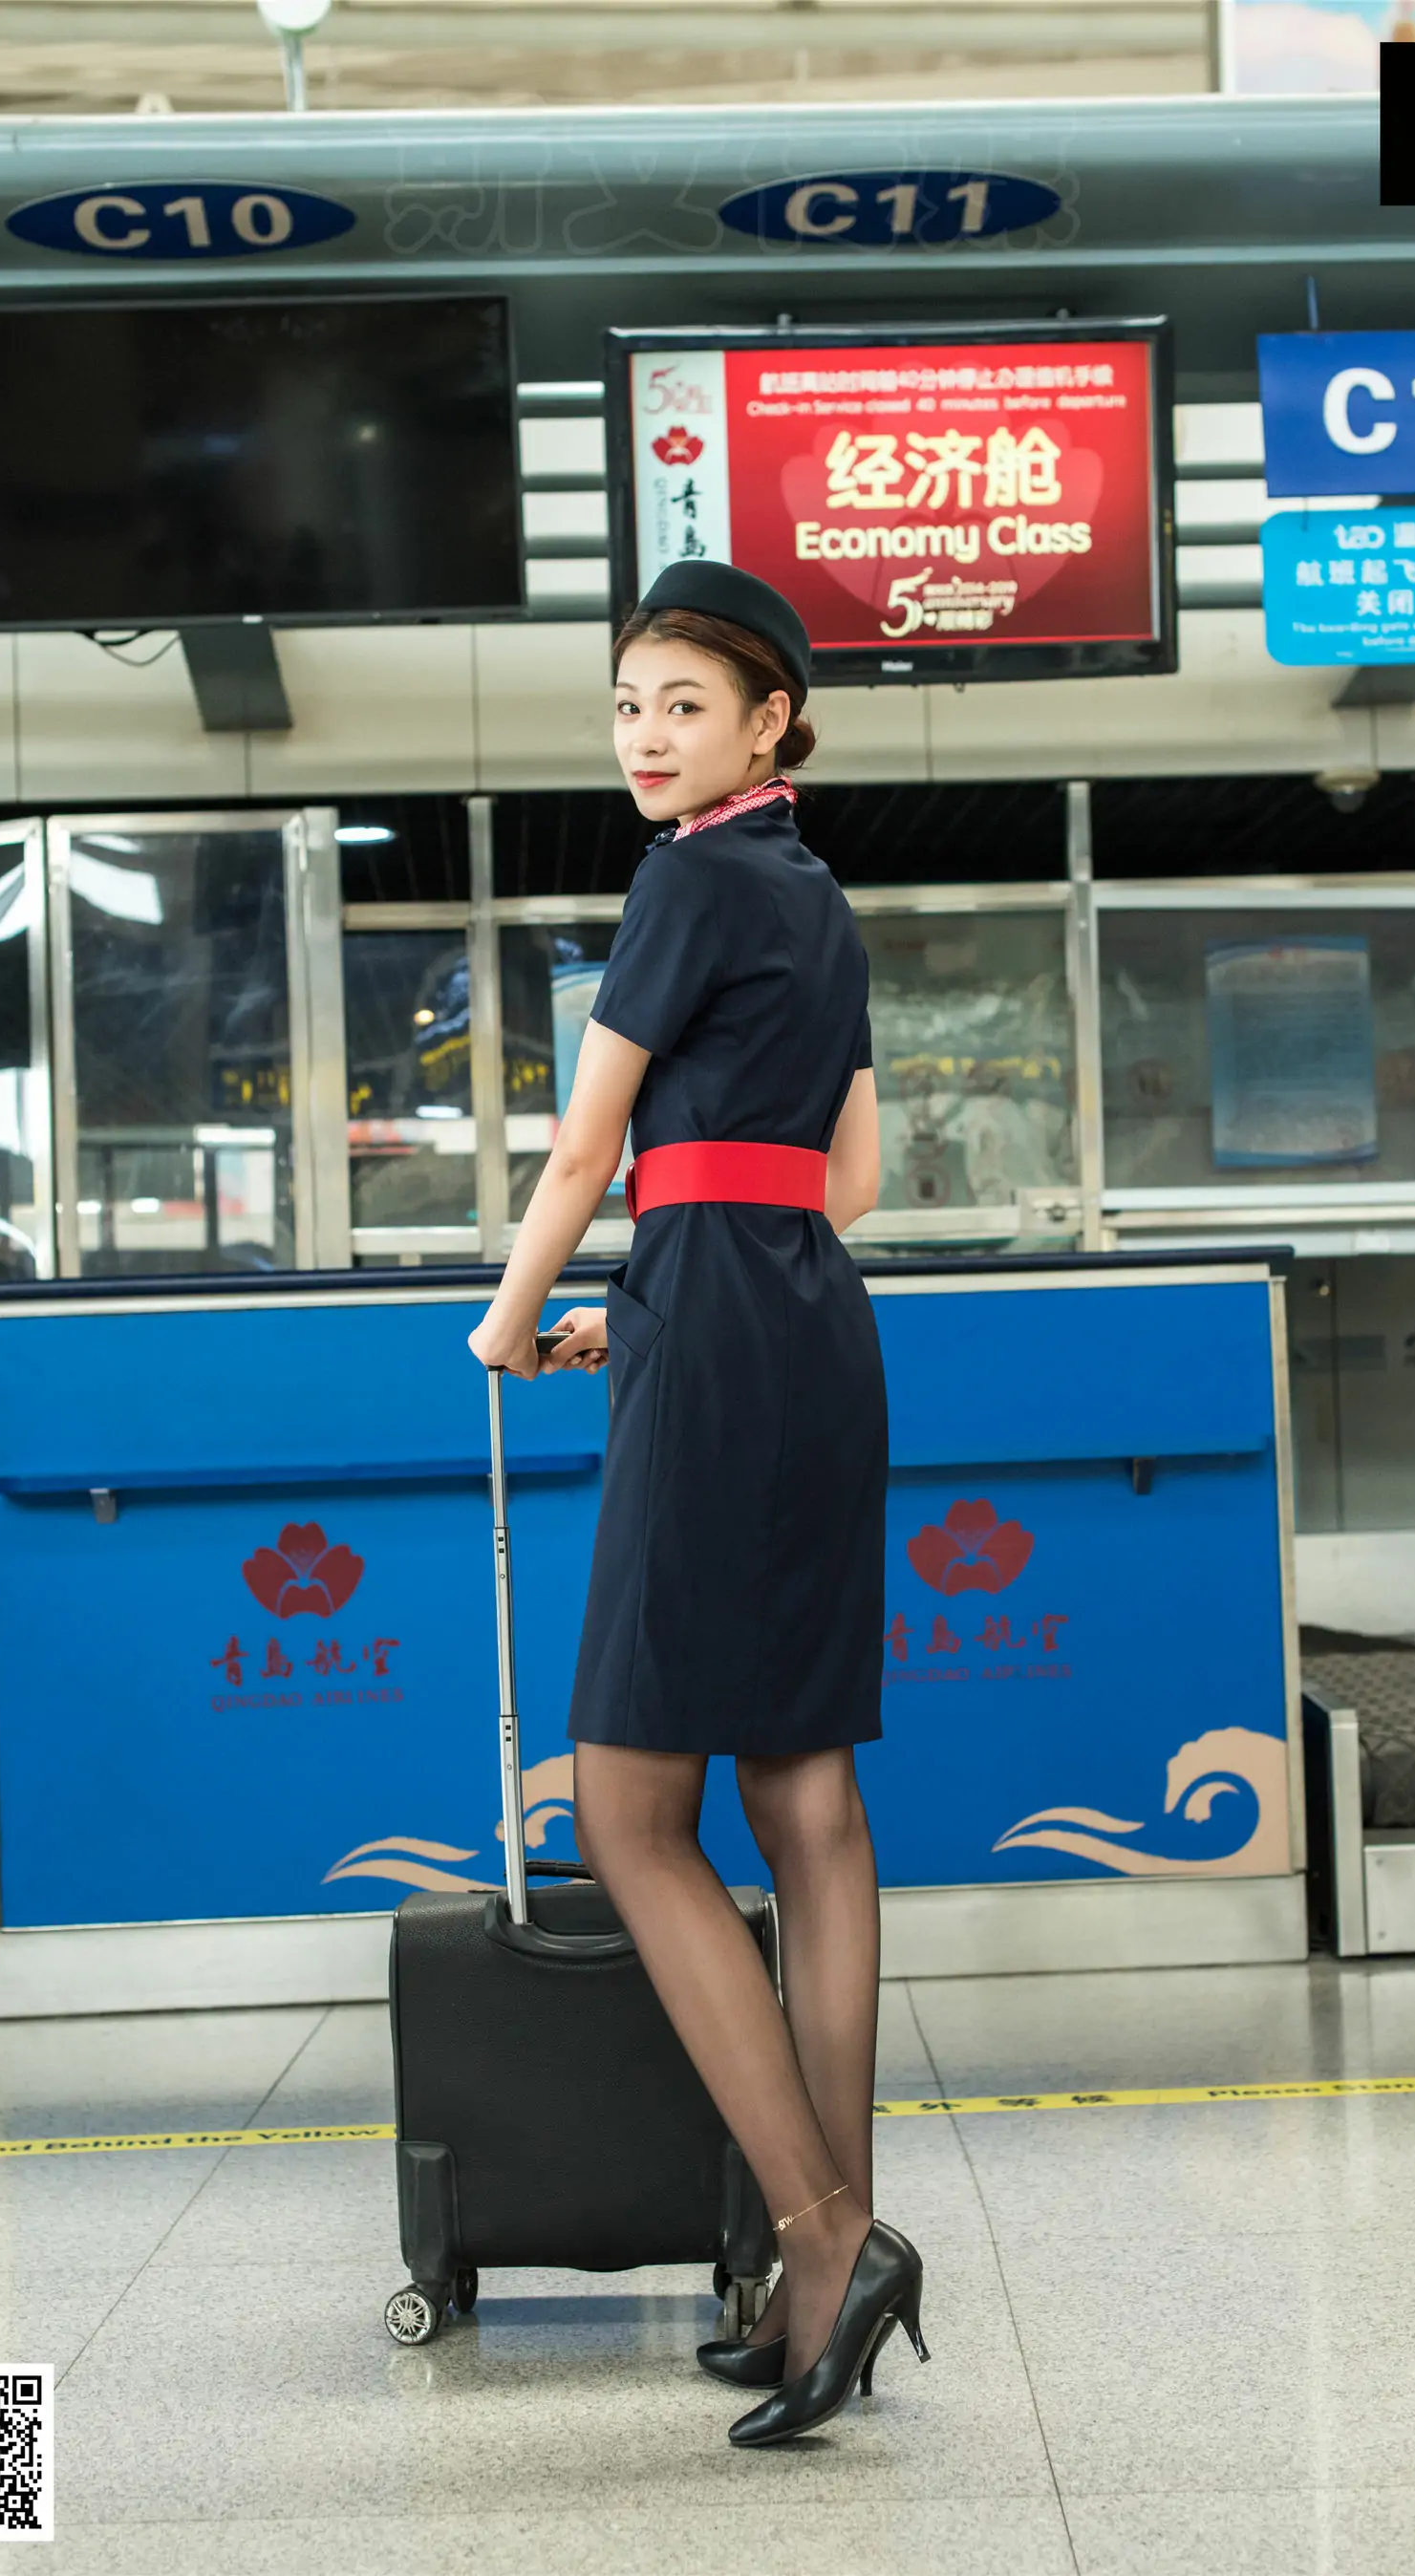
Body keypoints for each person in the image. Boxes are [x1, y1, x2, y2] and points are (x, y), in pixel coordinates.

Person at [467, 560, 927, 2447]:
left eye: (681, 704)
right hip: (811, 1329)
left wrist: (514, 1317)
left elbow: (589, 1141)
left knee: (627, 1807)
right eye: (626, 704)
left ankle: (824, 2237)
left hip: (715, 1330)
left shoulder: (683, 879)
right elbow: (851, 1179)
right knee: (806, 1796)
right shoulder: (815, 894)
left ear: (767, 722)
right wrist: (661, 1292)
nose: (645, 737)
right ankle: (825, 2272)